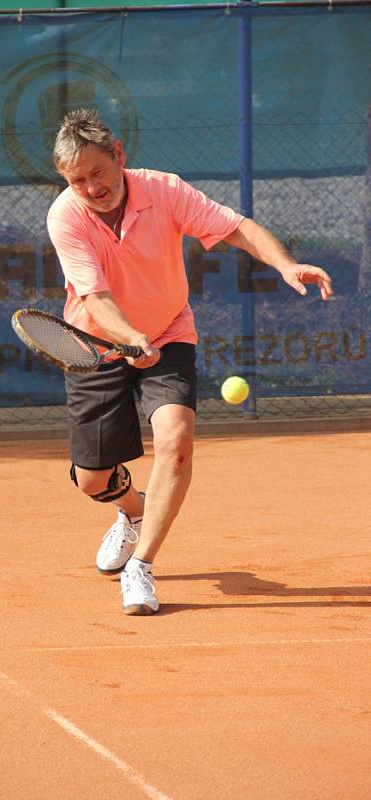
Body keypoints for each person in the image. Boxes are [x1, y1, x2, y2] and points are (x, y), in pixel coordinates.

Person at [46, 108, 333, 616]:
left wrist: (285, 264)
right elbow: (94, 300)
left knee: (176, 443)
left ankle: (142, 567)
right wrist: (132, 338)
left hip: (170, 332)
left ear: (119, 157)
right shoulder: (66, 216)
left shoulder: (164, 190)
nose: (91, 188)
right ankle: (130, 514)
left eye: (98, 173)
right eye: (78, 180)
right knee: (92, 478)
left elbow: (236, 226)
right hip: (99, 344)